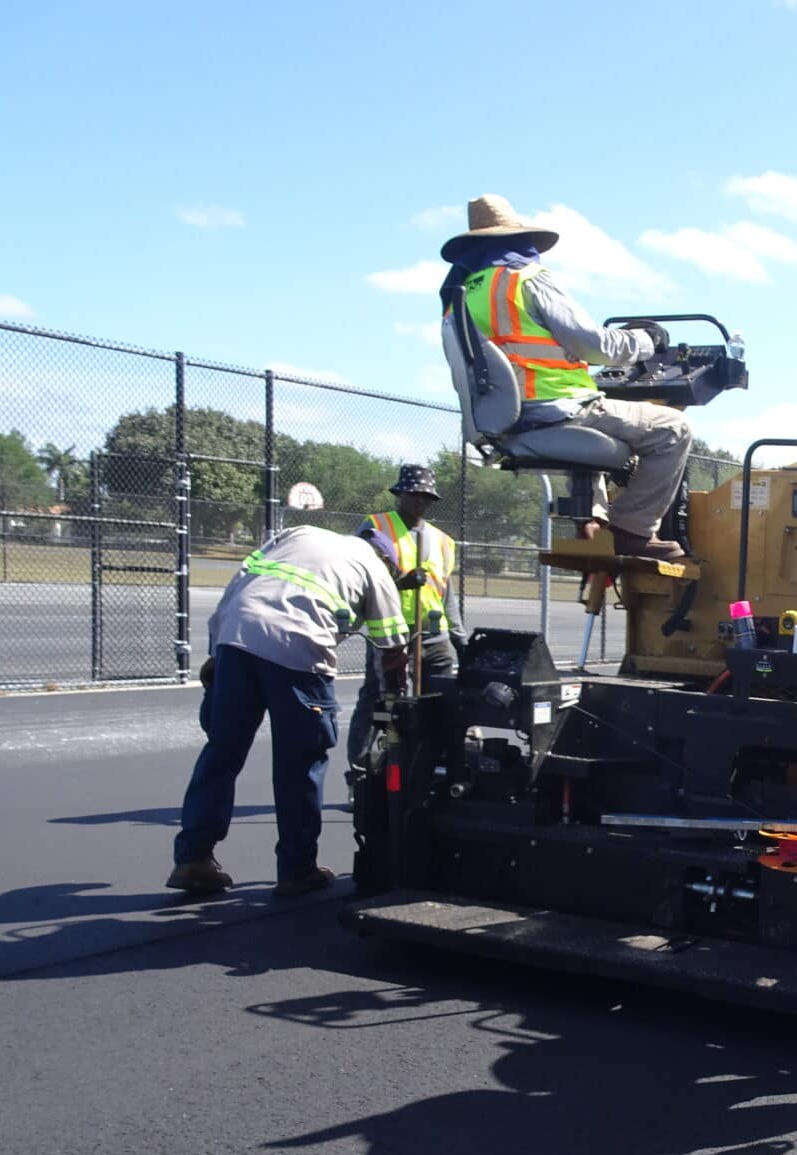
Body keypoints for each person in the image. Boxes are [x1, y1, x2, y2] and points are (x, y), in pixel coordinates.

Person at [439, 194, 693, 562]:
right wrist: (647, 342)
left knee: (605, 425)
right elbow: (594, 344)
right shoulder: (527, 280)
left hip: (503, 422)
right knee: (673, 428)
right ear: (516, 239)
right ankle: (632, 531)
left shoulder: (457, 299)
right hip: (555, 408)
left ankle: (591, 519)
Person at [168, 526, 409, 897]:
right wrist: (395, 702)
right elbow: (392, 648)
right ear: (387, 560)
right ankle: (297, 869)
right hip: (298, 649)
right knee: (301, 762)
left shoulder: (296, 534)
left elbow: (239, 582)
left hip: (237, 636)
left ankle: (193, 858)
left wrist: (217, 653)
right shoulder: (375, 569)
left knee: (221, 753)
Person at [348, 464, 464, 768]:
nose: (420, 501)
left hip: (433, 635)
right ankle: (363, 768)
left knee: (440, 697)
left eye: (426, 497)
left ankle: (429, 764)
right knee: (384, 701)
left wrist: (459, 636)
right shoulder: (375, 528)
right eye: (414, 495)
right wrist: (401, 583)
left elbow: (446, 593)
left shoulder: (442, 541)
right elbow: (360, 578)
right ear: (400, 495)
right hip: (391, 634)